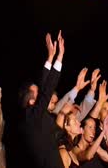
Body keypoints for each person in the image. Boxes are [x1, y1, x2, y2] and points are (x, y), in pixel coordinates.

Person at [16, 31, 66, 168]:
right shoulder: (31, 118)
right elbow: (47, 90)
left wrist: (50, 56)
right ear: (31, 101)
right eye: (37, 93)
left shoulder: (32, 115)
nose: (41, 92)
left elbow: (44, 87)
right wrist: (60, 56)